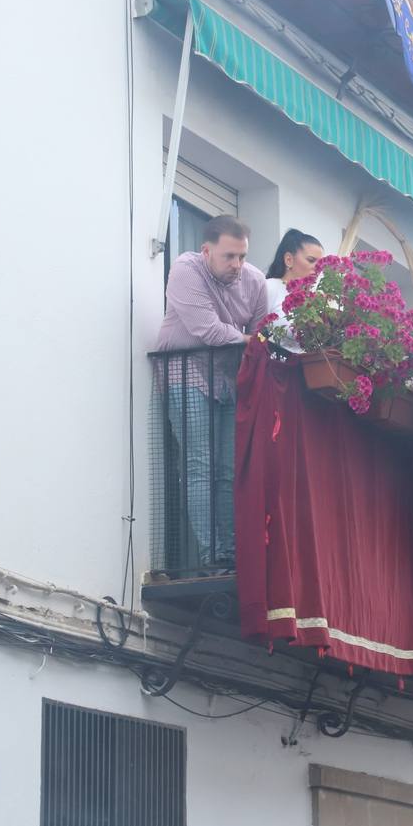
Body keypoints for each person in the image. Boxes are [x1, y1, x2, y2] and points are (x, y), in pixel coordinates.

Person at [156, 215, 269, 567]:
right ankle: (211, 556)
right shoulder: (185, 270)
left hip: (226, 381)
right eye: (229, 257)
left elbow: (264, 332)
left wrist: (254, 341)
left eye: (242, 257)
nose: (237, 265)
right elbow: (208, 331)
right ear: (206, 251)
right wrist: (250, 340)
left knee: (227, 471)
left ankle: (228, 553)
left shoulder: (254, 281)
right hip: (184, 373)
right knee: (199, 466)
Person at [263, 228, 323, 346]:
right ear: (289, 259)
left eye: (320, 263)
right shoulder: (269, 287)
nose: (318, 268)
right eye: (311, 260)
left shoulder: (314, 301)